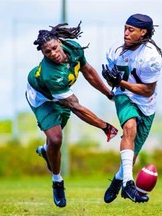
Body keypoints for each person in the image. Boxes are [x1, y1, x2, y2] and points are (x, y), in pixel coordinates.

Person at [25, 22, 118, 208]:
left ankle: (45, 150)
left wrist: (108, 93)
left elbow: (89, 71)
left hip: (60, 96)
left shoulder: (73, 48)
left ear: (60, 42)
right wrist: (105, 126)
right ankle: (57, 181)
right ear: (43, 54)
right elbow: (76, 107)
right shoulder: (52, 75)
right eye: (47, 52)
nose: (53, 53)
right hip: (42, 99)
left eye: (54, 47)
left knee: (52, 145)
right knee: (57, 139)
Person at [101, 13, 162, 203]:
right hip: (123, 97)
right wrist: (113, 82)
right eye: (125, 28)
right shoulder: (115, 50)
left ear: (143, 32)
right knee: (129, 128)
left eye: (131, 30)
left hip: (146, 103)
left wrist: (121, 82)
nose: (125, 33)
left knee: (131, 155)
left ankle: (119, 180)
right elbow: (113, 78)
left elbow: (147, 90)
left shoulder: (152, 57)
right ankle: (129, 184)